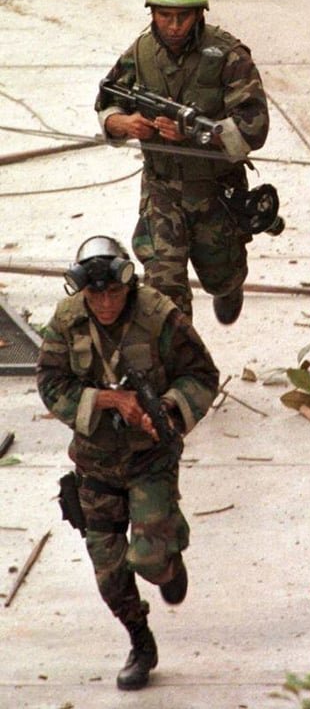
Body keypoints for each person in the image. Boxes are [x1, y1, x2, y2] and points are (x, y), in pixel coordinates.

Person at [36, 236, 219, 691]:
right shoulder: (67, 320)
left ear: (127, 284)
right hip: (95, 465)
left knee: (150, 560)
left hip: (149, 459)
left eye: (113, 293)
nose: (104, 304)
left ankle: (167, 556)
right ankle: (140, 641)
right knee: (109, 572)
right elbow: (50, 382)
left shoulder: (158, 315)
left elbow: (201, 374)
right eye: (94, 294)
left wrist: (169, 410)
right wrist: (106, 400)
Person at [95, 0, 270, 324]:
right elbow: (108, 99)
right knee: (163, 291)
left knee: (222, 275)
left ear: (199, 15)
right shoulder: (142, 52)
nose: (173, 26)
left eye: (182, 17)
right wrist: (122, 124)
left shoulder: (228, 56)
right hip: (161, 189)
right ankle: (177, 352)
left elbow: (255, 128)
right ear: (152, 13)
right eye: (165, 16)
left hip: (215, 190)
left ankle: (229, 286)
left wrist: (194, 134)